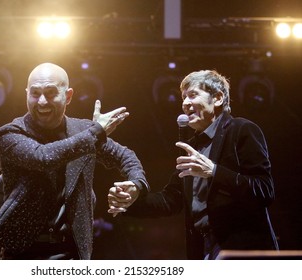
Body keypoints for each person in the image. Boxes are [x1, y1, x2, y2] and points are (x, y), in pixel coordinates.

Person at [0, 62, 149, 260]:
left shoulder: (83, 132)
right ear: (26, 94)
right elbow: (43, 157)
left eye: (51, 93)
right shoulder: (10, 133)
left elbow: (125, 156)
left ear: (68, 96)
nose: (42, 101)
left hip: (72, 251)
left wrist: (136, 184)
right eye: (35, 93)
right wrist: (95, 133)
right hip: (23, 253)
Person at [108, 70, 279, 260]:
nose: (185, 103)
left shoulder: (242, 130)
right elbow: (171, 199)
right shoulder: (192, 146)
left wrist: (213, 171)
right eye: (183, 97)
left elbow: (264, 190)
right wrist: (131, 201)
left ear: (218, 99)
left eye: (193, 95)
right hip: (202, 248)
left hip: (242, 249)